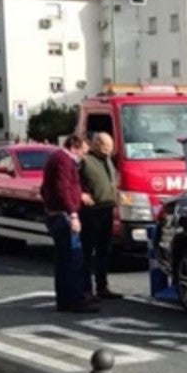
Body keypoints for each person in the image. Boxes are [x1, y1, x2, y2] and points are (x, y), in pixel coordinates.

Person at [40, 134, 99, 313]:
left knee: (64, 260)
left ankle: (65, 300)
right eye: (82, 151)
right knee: (73, 258)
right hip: (63, 216)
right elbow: (62, 188)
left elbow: (48, 188)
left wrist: (79, 195)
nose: (83, 156)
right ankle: (75, 300)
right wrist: (73, 214)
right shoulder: (64, 161)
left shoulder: (58, 159)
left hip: (56, 213)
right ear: (74, 146)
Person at [79, 132, 121, 300]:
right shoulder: (85, 161)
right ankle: (86, 289)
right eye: (105, 148)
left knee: (104, 250)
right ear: (95, 145)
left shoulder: (109, 160)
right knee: (88, 251)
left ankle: (102, 286)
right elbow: (76, 182)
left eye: (110, 148)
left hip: (107, 208)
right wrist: (82, 195)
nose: (107, 151)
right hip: (91, 211)